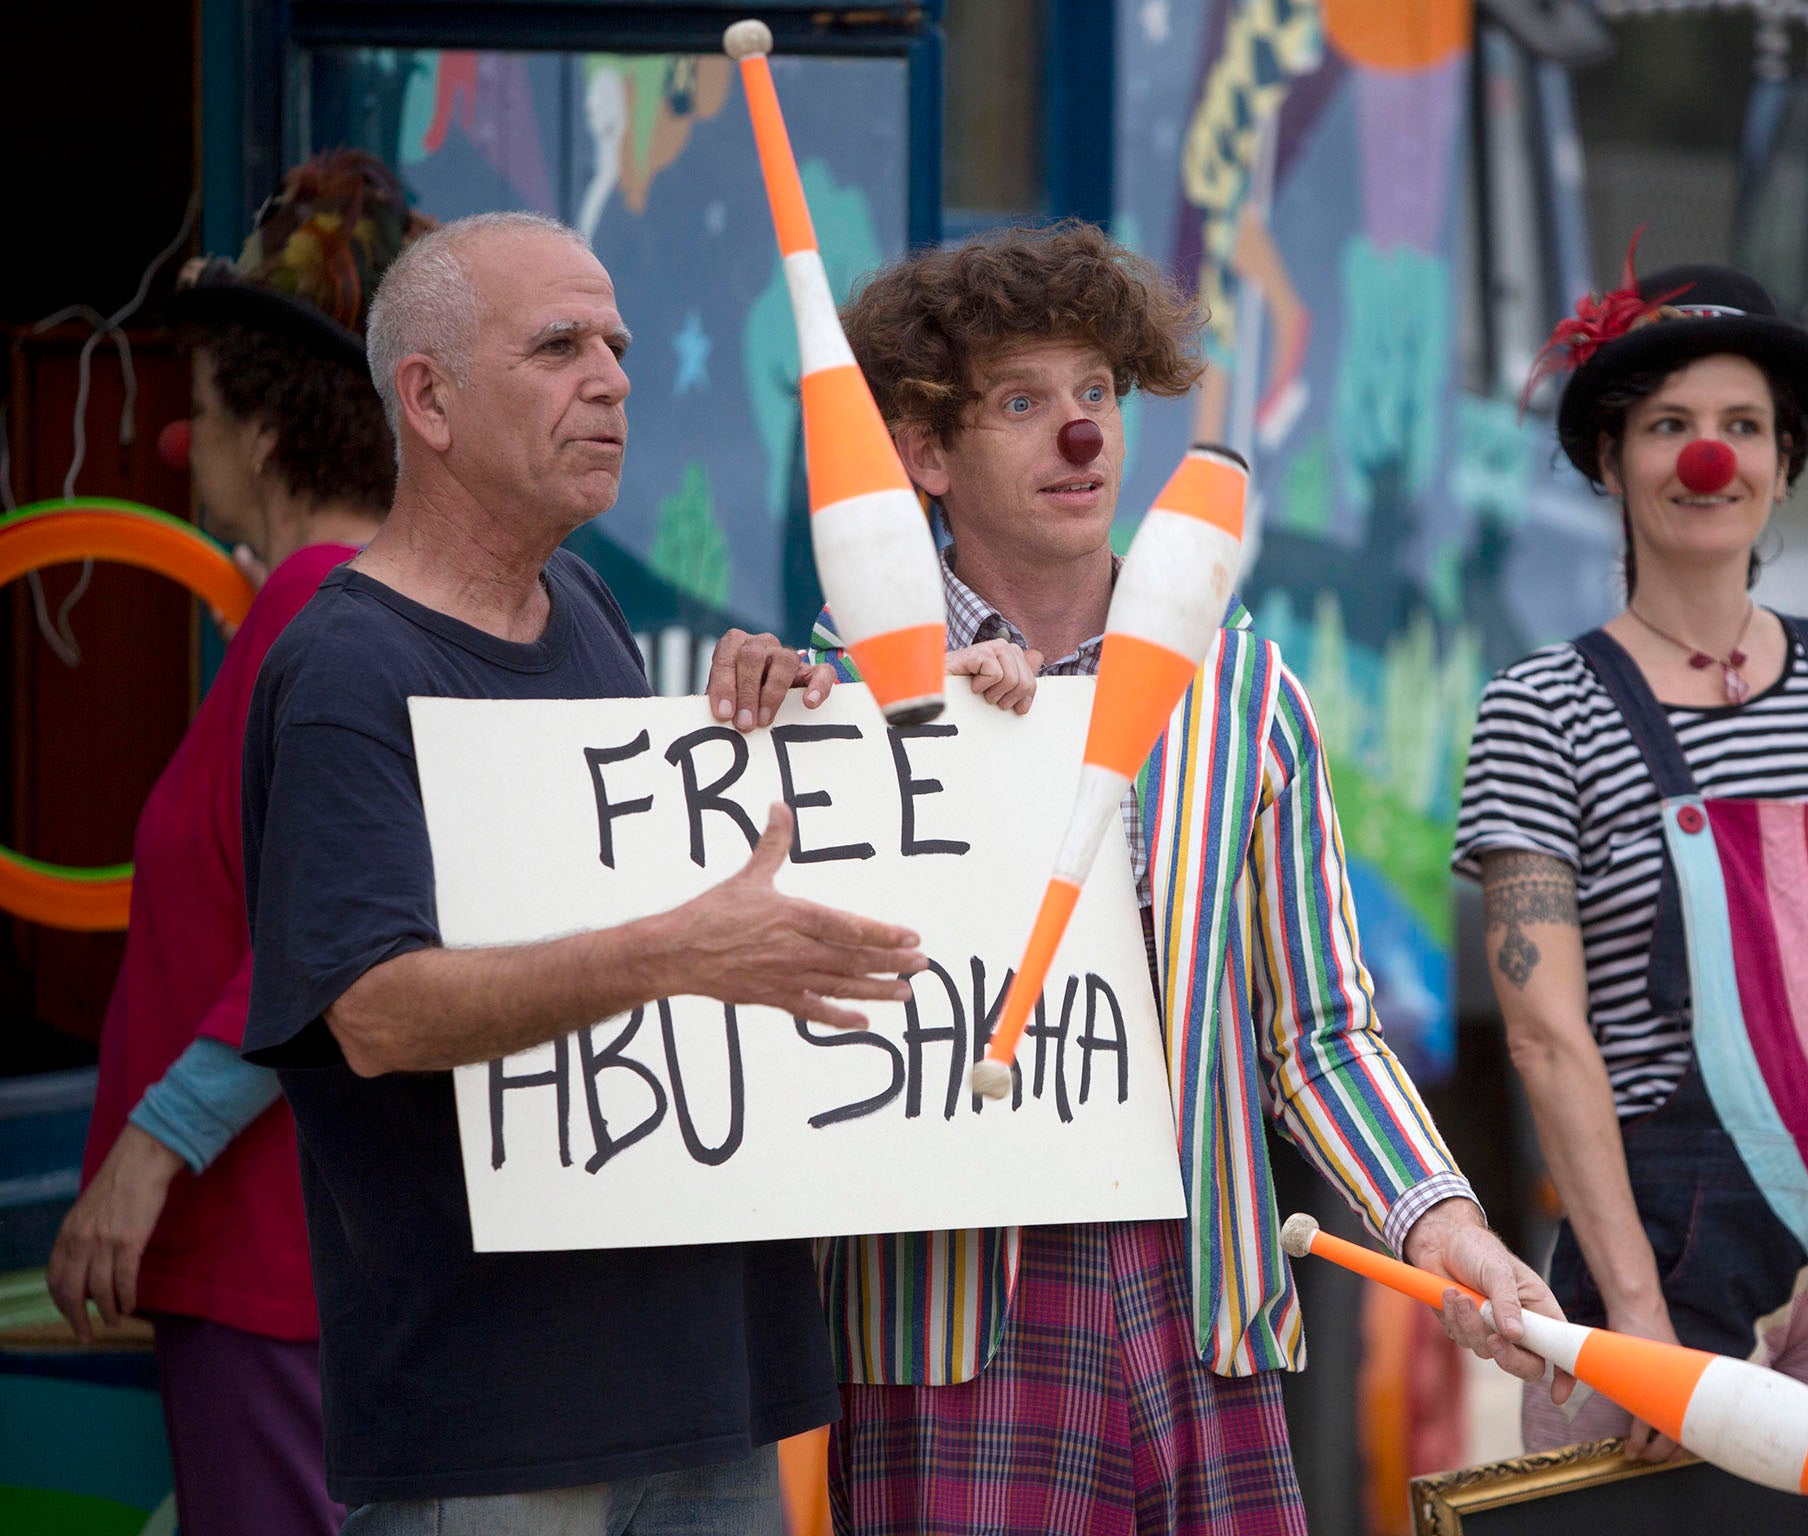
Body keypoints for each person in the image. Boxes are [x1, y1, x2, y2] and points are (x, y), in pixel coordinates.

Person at [812, 220, 1566, 1535]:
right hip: (951, 1335)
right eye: (1022, 401)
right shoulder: (844, 702)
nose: (1083, 436)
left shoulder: (1246, 697)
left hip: (1201, 1317)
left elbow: (1318, 1031)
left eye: (1099, 395)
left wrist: (1441, 1222)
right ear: (927, 452)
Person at [237, 209, 926, 1530]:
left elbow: (666, 902)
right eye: (559, 346)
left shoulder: (589, 614)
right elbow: (373, 1013)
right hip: (498, 1425)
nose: (614, 376)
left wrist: (783, 718)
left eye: (614, 341)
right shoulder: (345, 672)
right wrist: (678, 951)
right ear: (427, 401)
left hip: (699, 1389)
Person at [1455, 251, 1808, 1457]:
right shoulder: (1537, 709)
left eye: (1739, 427)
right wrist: (1641, 1326)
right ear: (1608, 460)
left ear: (1780, 464)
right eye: (1667, 425)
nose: (1706, 459)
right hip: (1662, 1249)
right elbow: (1547, 1036)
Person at [47, 149, 428, 1536]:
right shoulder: (311, 613)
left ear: (261, 436)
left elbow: (322, 935)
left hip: (271, 1255)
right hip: (287, 1256)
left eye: (199, 409)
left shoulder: (316, 615)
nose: (177, 442)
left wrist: (145, 1161)